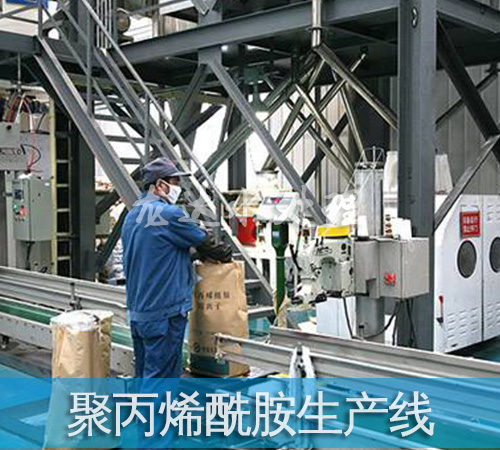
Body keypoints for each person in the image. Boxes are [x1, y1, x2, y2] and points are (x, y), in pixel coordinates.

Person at [122, 157, 231, 379]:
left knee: (143, 374)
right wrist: (224, 254)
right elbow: (205, 241)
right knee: (161, 379)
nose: (178, 187)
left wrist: (192, 255)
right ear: (160, 184)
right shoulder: (167, 214)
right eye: (175, 182)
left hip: (138, 312)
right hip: (164, 312)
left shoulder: (133, 214)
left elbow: (156, 251)